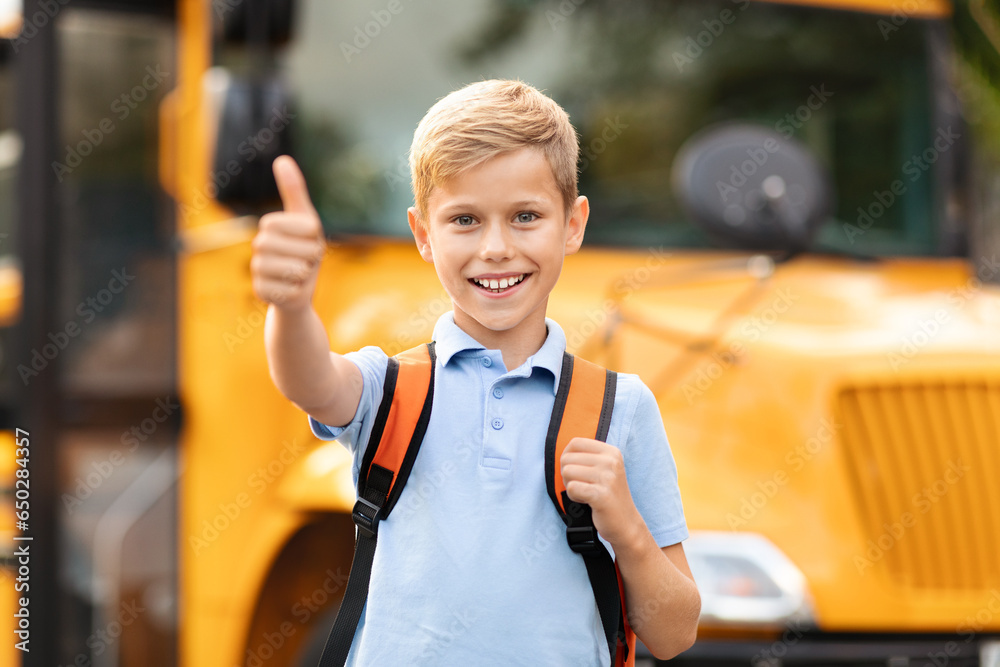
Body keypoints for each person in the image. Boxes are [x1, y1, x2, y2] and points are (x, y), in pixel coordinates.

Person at [250, 79, 701, 665]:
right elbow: (310, 379)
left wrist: (628, 528)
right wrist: (289, 306)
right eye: (464, 220)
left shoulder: (621, 408)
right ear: (422, 234)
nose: (495, 247)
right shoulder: (391, 390)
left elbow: (674, 635)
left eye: (525, 216)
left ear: (573, 223)